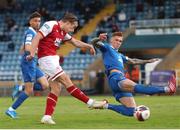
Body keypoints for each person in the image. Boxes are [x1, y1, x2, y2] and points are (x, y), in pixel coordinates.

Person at [27, 12, 107, 124]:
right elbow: (37, 37)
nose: (73, 30)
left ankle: (47, 116)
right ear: (67, 22)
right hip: (47, 59)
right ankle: (90, 103)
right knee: (66, 80)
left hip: (52, 59)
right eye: (72, 27)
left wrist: (89, 46)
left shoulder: (62, 31)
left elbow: (74, 42)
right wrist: (31, 53)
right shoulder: (51, 25)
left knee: (56, 88)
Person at [90, 32, 176, 118]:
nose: (118, 42)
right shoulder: (107, 48)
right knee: (137, 87)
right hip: (116, 78)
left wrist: (147, 61)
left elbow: (133, 61)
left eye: (120, 41)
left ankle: (106, 105)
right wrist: (98, 38)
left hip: (117, 81)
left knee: (132, 111)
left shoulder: (119, 55)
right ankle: (167, 89)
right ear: (111, 40)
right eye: (116, 40)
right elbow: (93, 42)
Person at [5, 12, 49, 119]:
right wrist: (38, 52)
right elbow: (28, 48)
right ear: (30, 21)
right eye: (35, 21)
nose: (38, 23)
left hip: (32, 62)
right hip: (28, 63)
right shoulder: (30, 32)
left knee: (45, 85)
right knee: (29, 91)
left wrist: (25, 49)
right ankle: (11, 109)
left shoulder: (34, 32)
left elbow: (23, 47)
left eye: (39, 21)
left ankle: (20, 87)